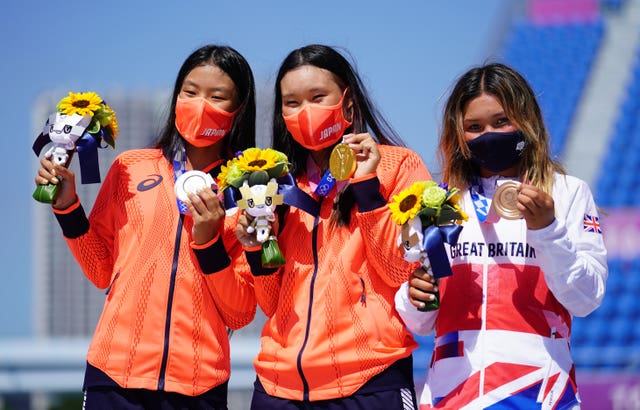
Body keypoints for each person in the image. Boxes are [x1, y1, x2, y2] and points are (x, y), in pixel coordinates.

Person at [34, 44, 257, 409]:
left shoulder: (249, 188)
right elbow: (101, 269)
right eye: (190, 91)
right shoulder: (131, 166)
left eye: (217, 96)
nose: (200, 104)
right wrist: (67, 207)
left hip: (198, 385)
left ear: (239, 109)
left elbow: (240, 312)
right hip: (114, 375)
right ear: (175, 96)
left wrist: (209, 243)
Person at [394, 63, 608, 409]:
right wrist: (413, 295)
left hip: (540, 393)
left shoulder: (566, 193)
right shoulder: (438, 203)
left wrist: (549, 230)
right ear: (458, 135)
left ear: (527, 122)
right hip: (452, 395)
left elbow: (586, 299)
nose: (488, 134)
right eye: (474, 127)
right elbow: (420, 323)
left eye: (501, 121)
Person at [235, 44, 431, 409]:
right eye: (291, 103)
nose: (304, 112)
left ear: (348, 102)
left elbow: (400, 270)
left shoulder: (398, 166)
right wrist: (254, 248)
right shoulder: (277, 185)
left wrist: (368, 188)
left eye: (317, 97)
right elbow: (270, 302)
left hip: (369, 382)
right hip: (279, 387)